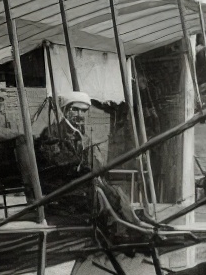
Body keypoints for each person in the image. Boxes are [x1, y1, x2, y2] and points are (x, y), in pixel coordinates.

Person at [35, 92, 143, 233]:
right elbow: (55, 161)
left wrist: (93, 163)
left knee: (116, 191)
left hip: (79, 181)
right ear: (65, 110)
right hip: (60, 184)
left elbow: (91, 162)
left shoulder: (81, 135)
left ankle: (131, 224)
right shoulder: (52, 132)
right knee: (104, 192)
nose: (80, 114)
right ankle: (127, 227)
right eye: (76, 109)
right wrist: (83, 165)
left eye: (84, 111)